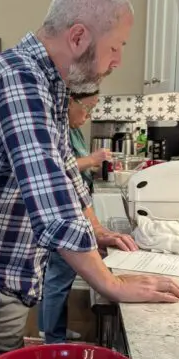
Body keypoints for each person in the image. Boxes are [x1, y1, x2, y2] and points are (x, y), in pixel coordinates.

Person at [0, 0, 179, 359]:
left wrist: (98, 231)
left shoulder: (46, 81)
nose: (117, 61)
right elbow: (52, 201)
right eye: (115, 47)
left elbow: (65, 172)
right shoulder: (19, 79)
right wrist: (111, 283)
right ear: (79, 36)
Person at [38, 90, 110, 343]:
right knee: (58, 278)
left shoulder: (71, 129)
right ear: (68, 102)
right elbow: (63, 171)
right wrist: (92, 159)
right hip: (66, 213)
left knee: (59, 278)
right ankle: (52, 337)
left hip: (76, 211)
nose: (88, 116)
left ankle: (52, 329)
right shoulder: (56, 131)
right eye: (86, 108)